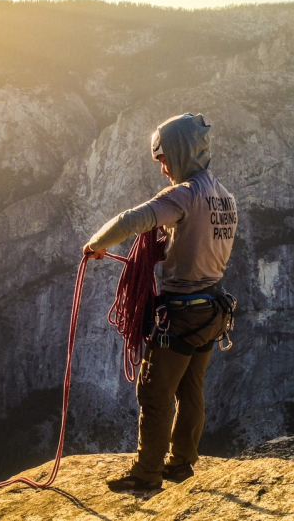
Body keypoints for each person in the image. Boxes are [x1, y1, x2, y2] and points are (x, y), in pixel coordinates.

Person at [83, 112, 238, 491]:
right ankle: (182, 461)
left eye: (164, 158)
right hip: (213, 309)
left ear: (181, 151)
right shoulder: (224, 196)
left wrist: (96, 244)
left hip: (182, 311)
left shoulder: (183, 195)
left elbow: (133, 219)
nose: (163, 168)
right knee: (191, 388)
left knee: (153, 393)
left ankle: (147, 474)